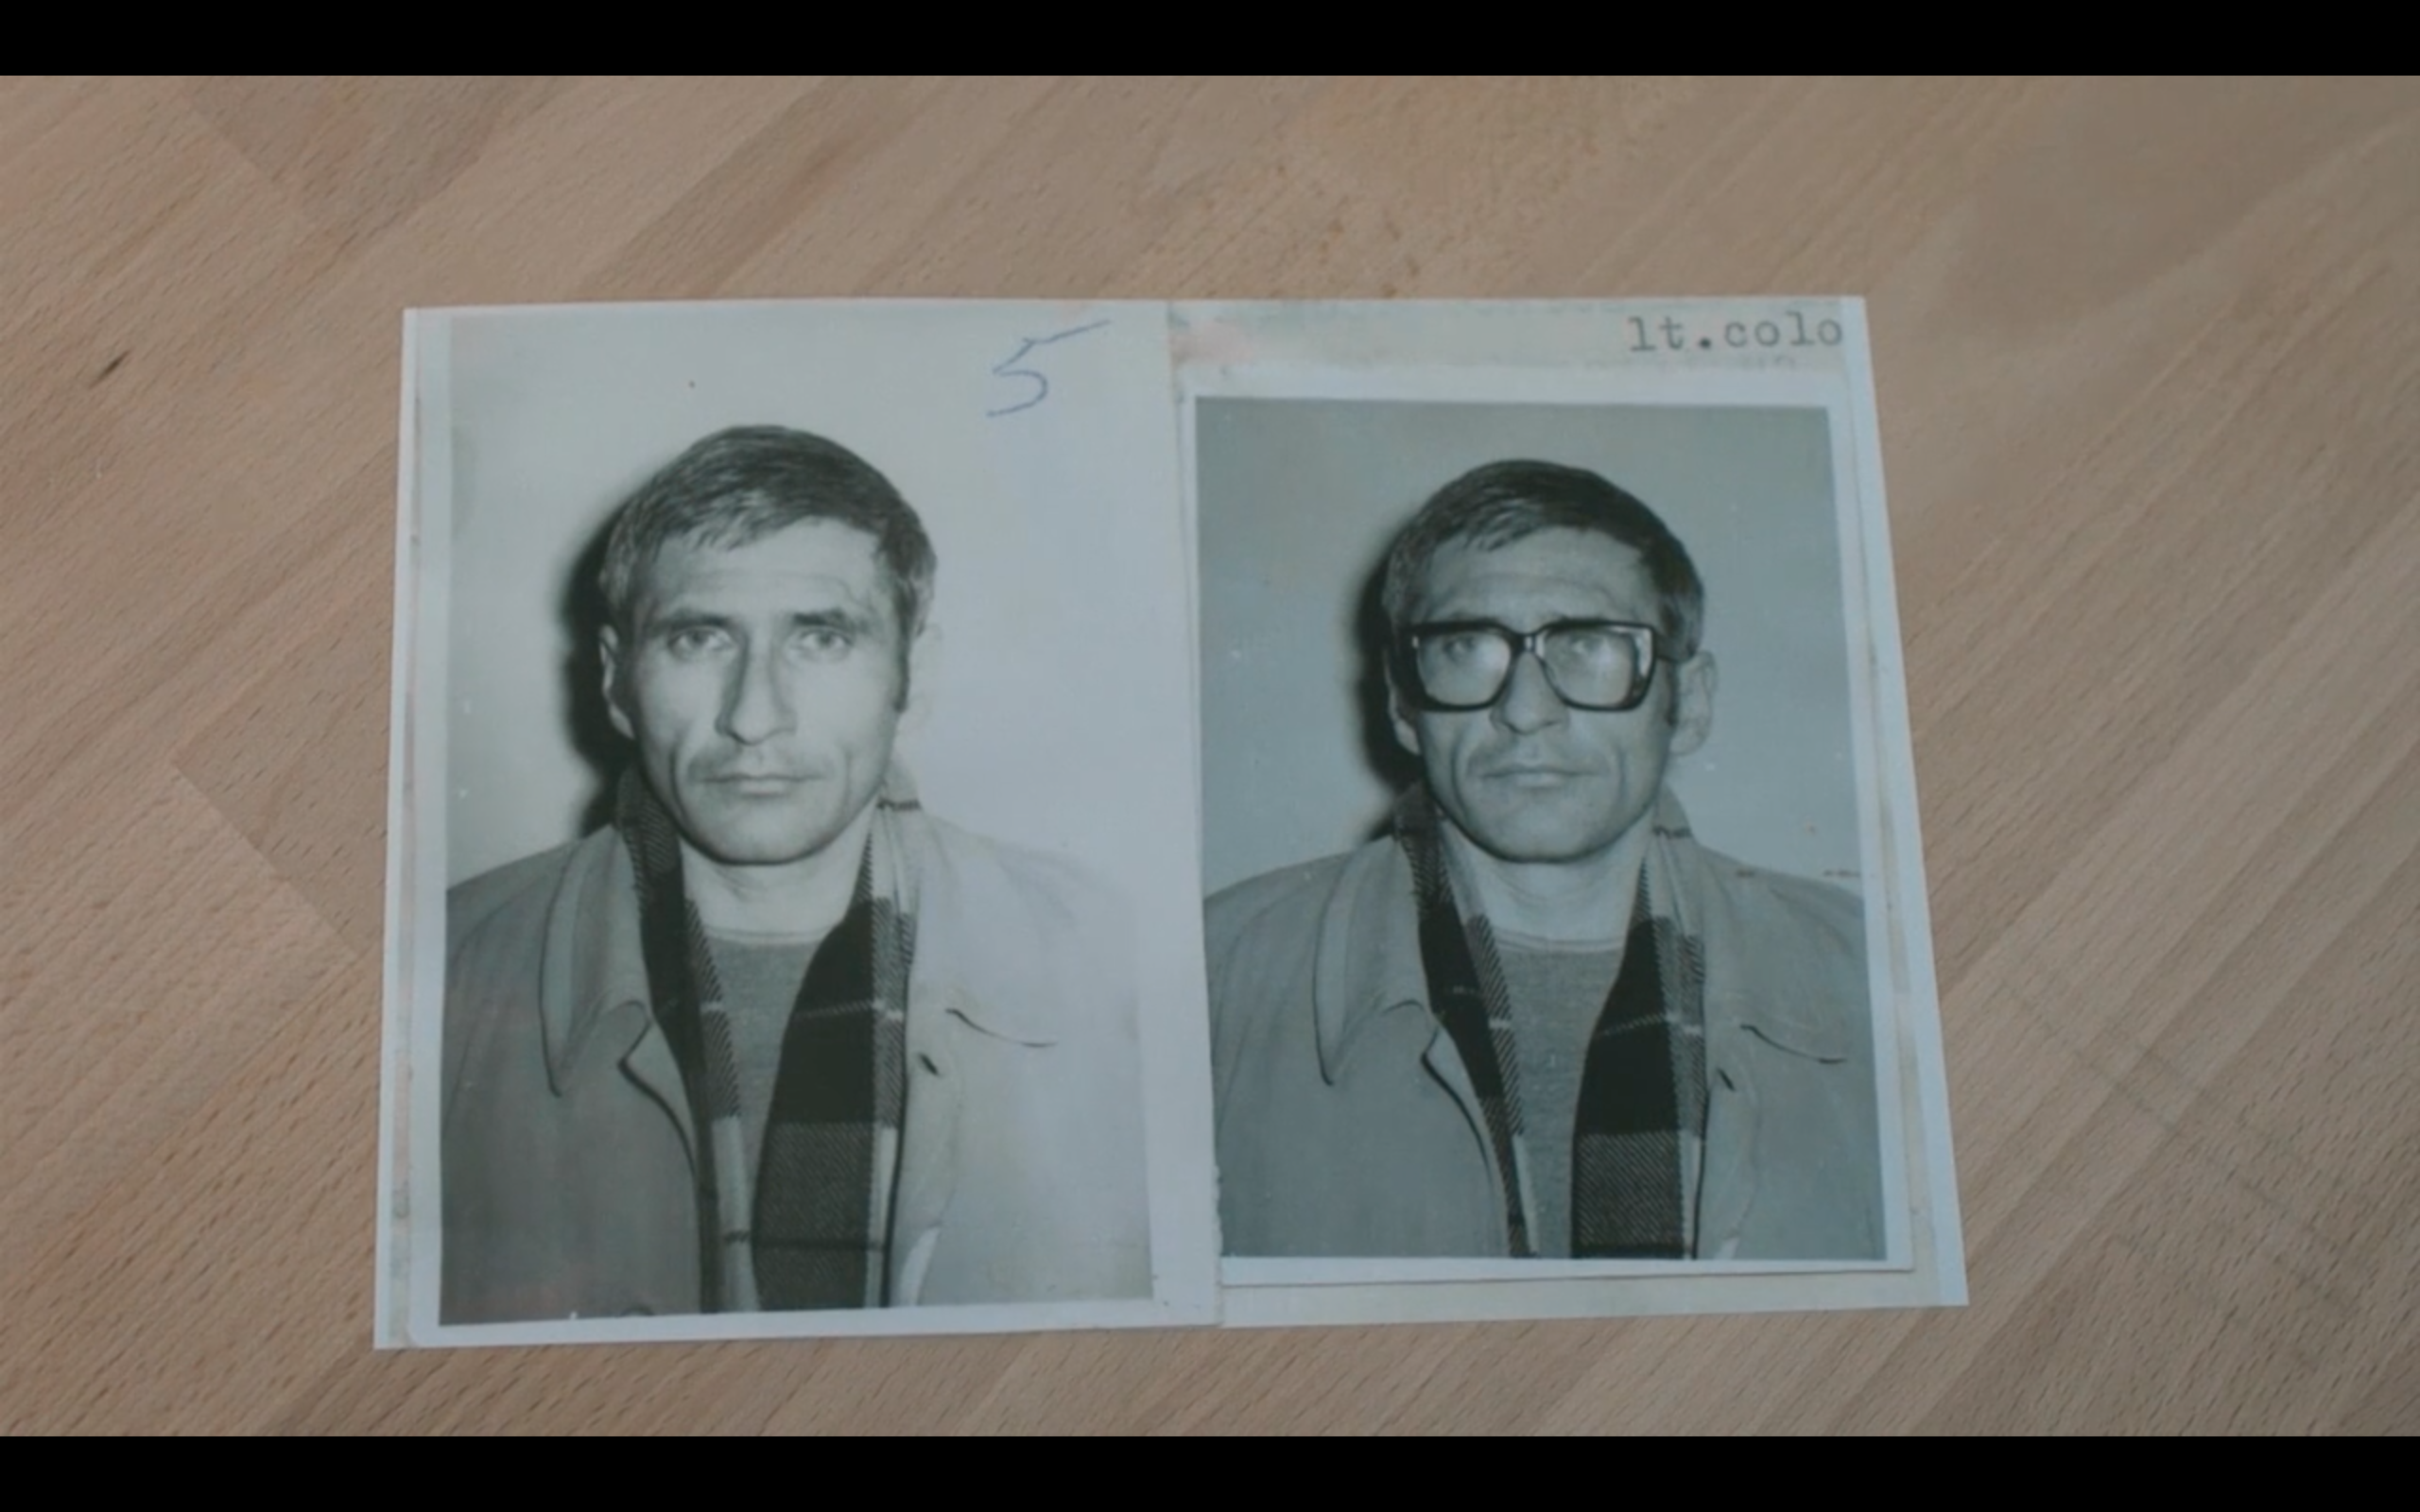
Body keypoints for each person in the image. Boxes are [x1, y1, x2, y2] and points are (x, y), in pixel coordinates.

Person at [441, 425, 1150, 1323]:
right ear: (618, 681)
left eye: (820, 639)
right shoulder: (440, 971)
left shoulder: (1120, 965)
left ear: (914, 675)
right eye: (699, 639)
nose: (755, 716)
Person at [1208, 459, 1884, 1263]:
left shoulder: (1880, 975)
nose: (1526, 711)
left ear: (1691, 702)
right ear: (1402, 703)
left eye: (1589, 645)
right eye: (1466, 648)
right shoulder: (1210, 977)